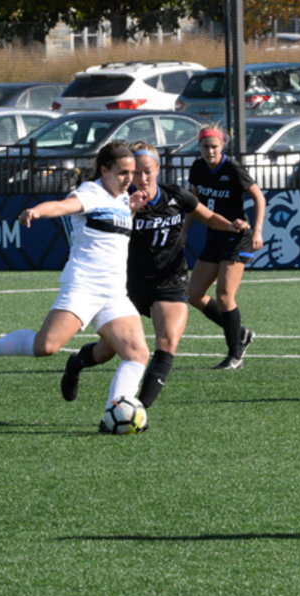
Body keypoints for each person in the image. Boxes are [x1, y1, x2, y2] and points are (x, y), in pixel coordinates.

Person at [0, 141, 151, 433]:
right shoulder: (90, 193)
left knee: (137, 354)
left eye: (131, 172)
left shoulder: (122, 198)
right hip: (84, 286)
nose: (129, 178)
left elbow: (114, 228)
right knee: (46, 347)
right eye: (122, 172)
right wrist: (36, 212)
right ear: (104, 170)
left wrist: (131, 209)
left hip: (114, 292)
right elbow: (61, 206)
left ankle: (112, 414)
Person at [60, 141, 250, 411]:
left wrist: (231, 225)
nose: (142, 178)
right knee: (108, 350)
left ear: (158, 170)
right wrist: (131, 209)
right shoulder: (119, 202)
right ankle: (77, 362)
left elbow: (207, 217)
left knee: (167, 343)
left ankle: (138, 410)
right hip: (129, 285)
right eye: (135, 172)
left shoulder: (176, 196)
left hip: (170, 281)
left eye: (147, 171)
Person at [185, 124, 266, 370]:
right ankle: (240, 332)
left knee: (224, 295)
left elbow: (259, 197)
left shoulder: (233, 168)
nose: (210, 151)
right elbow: (194, 203)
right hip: (214, 235)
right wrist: (183, 231)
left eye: (214, 146)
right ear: (199, 147)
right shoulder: (198, 168)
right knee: (193, 294)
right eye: (205, 146)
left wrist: (257, 231)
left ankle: (235, 355)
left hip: (238, 236)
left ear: (222, 146)